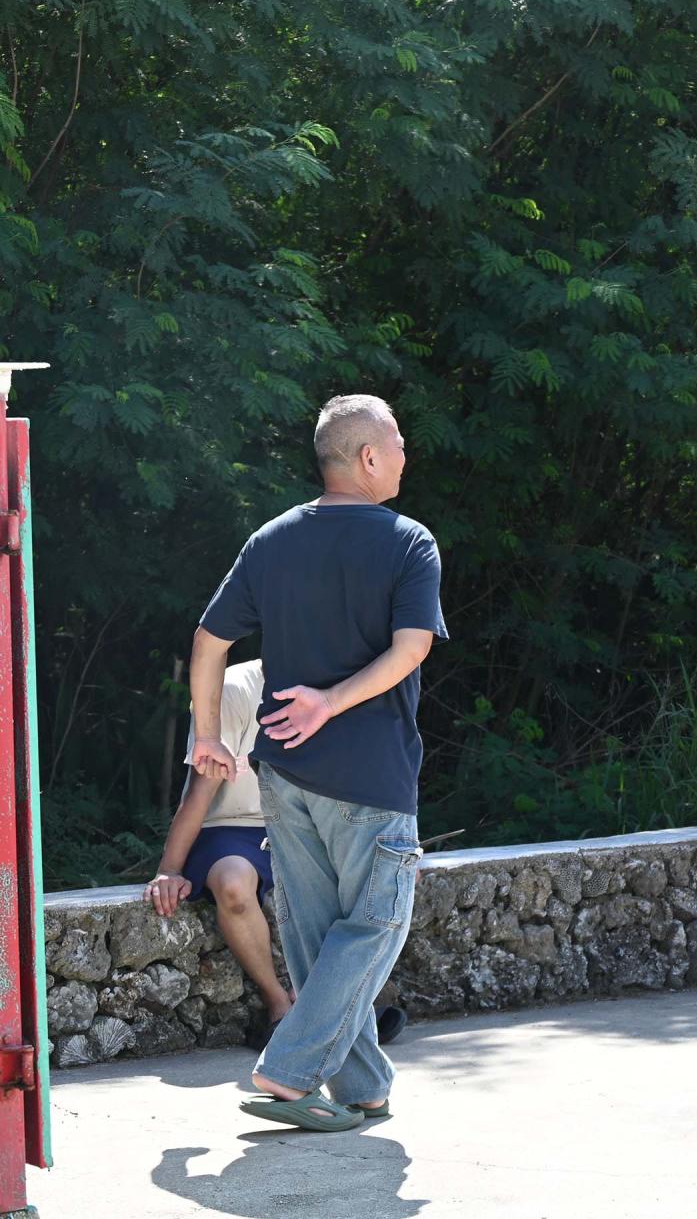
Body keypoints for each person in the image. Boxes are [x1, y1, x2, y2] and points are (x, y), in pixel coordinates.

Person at [189, 394, 446, 1132]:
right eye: (398, 443)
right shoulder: (409, 542)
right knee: (375, 927)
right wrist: (330, 703)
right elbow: (412, 649)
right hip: (370, 775)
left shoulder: (271, 539)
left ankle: (363, 1085)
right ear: (368, 457)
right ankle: (289, 1069)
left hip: (285, 776)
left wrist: (208, 734)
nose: (404, 455)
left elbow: (208, 640)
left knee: (318, 938)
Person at [145, 658, 409, 1052]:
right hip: (230, 826)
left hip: (307, 820)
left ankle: (343, 1011)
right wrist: (169, 869)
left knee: (376, 871)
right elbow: (200, 789)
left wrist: (392, 845)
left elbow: (359, 779)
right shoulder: (231, 689)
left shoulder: (341, 684)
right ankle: (280, 1008)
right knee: (233, 884)